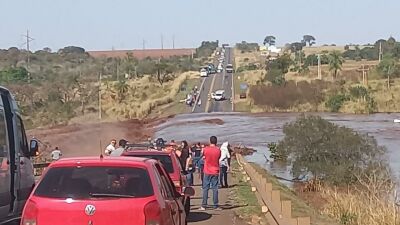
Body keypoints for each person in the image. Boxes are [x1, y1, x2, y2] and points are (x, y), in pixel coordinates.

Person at [200, 136, 222, 211]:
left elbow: (203, 156)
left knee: (205, 188)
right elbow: (218, 158)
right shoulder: (218, 150)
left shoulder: (205, 149)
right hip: (215, 170)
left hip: (207, 170)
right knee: (215, 189)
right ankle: (216, 205)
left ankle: (204, 205)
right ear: (216, 142)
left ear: (210, 141)